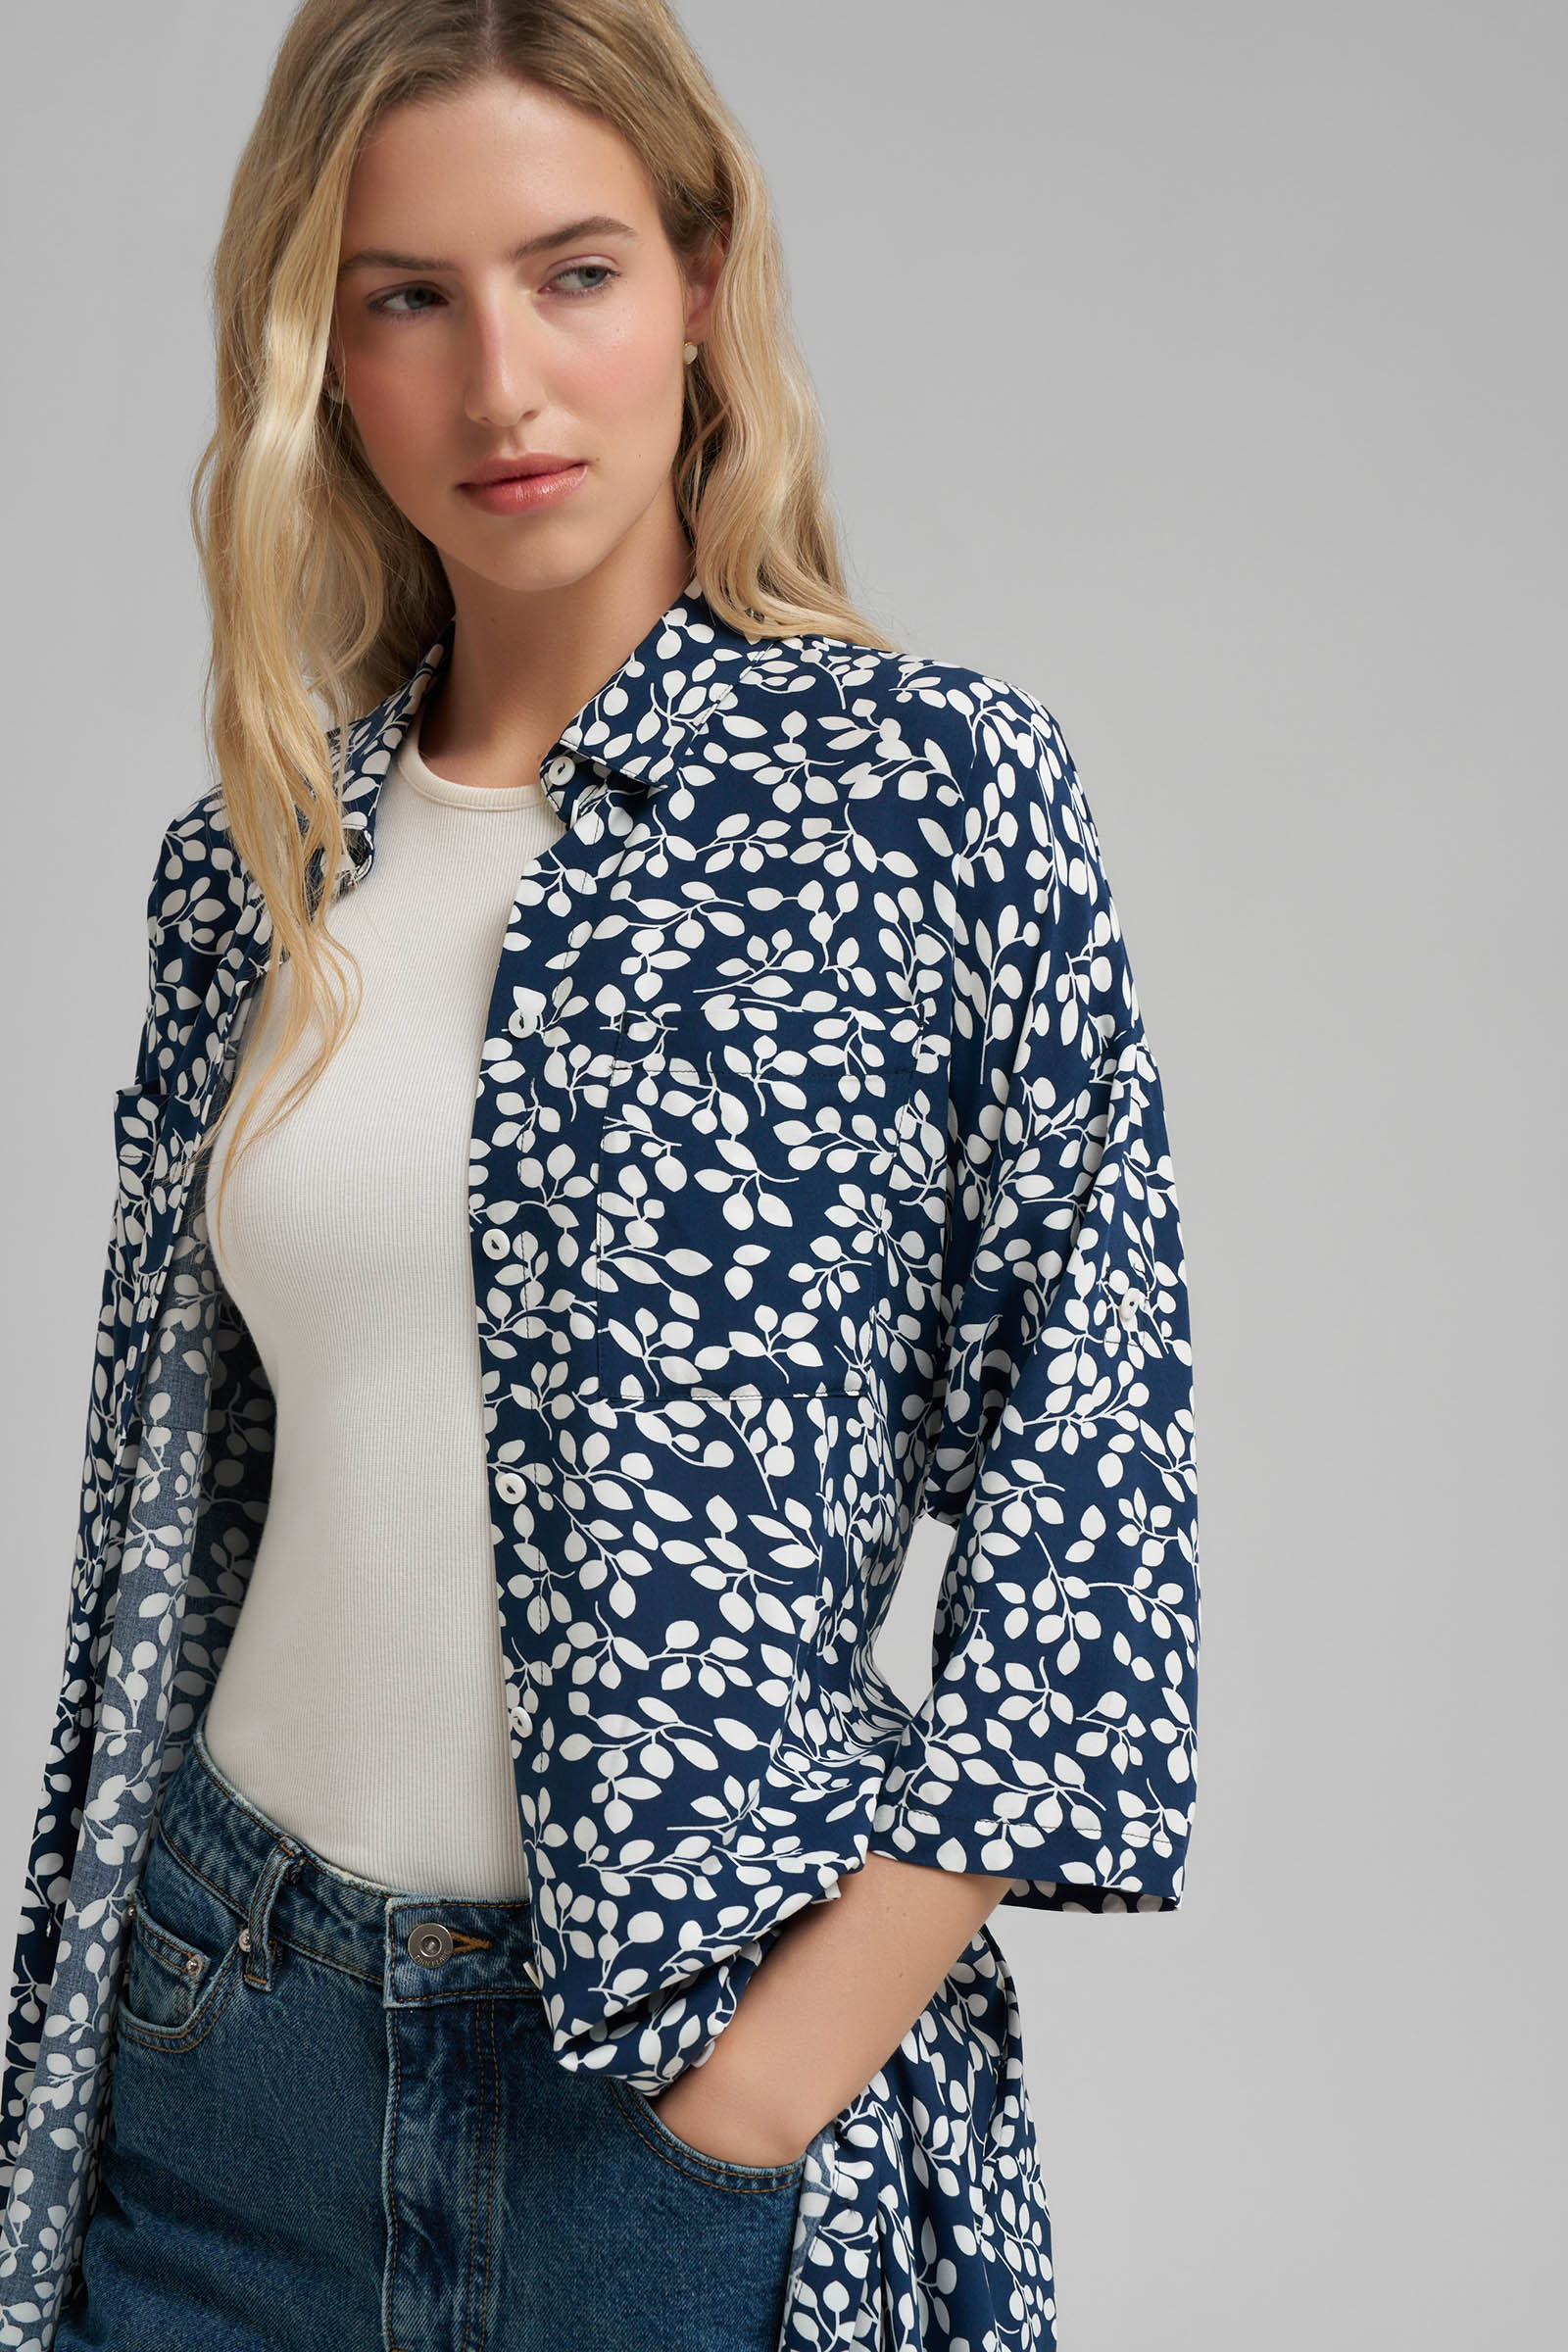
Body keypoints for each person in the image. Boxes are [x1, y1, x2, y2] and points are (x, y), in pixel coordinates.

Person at [0, 4, 1202, 2347]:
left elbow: (1094, 1467)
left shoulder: (917, 801)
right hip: (226, 2051)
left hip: (667, 2106)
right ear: (322, 355)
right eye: (406, 298)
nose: (501, 385)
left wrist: (785, 2064)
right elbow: (180, 1523)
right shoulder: (251, 866)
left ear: (701, 282)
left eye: (572, 274)